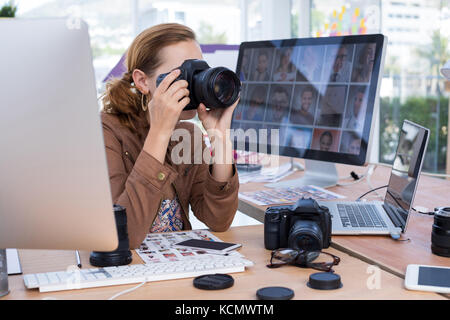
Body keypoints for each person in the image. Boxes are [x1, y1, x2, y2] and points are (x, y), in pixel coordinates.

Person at [101, 23, 239, 248]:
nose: (194, 84)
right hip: (126, 273)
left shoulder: (188, 134)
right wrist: (160, 133)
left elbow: (218, 220)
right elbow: (123, 236)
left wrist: (220, 138)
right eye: (184, 74)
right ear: (143, 81)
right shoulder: (106, 131)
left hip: (175, 267)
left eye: (200, 72)